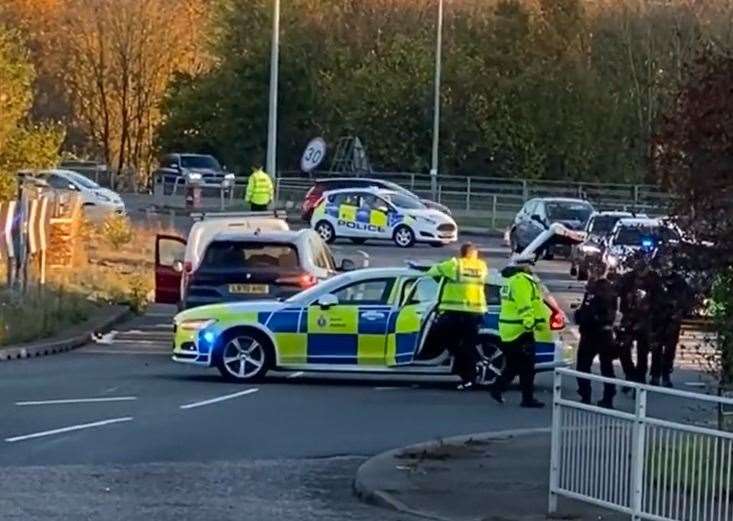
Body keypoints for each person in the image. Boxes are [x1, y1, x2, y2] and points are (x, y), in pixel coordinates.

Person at [427, 242, 489, 390]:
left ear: (461, 253)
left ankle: (465, 372)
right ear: (474, 253)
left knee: (445, 339)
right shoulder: (482, 266)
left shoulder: (455, 265)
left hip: (455, 312)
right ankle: (469, 376)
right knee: (468, 345)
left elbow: (431, 272)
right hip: (476, 312)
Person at [490, 259, 544, 408]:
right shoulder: (522, 281)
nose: (532, 268)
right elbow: (524, 304)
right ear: (524, 267)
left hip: (509, 329)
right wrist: (529, 323)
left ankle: (497, 388)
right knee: (527, 367)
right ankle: (527, 399)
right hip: (520, 329)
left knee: (514, 365)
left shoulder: (510, 281)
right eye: (530, 265)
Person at [574, 269, 618, 408]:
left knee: (584, 366)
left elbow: (590, 315)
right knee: (606, 367)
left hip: (592, 334)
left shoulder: (596, 295)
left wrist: (581, 317)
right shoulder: (608, 293)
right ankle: (607, 396)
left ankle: (586, 394)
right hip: (604, 334)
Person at [651, 258, 693, 387]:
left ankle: (666, 375)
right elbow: (650, 296)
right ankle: (655, 375)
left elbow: (687, 298)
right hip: (658, 319)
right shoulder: (656, 281)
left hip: (672, 319)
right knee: (656, 348)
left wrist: (679, 311)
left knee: (669, 349)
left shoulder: (679, 282)